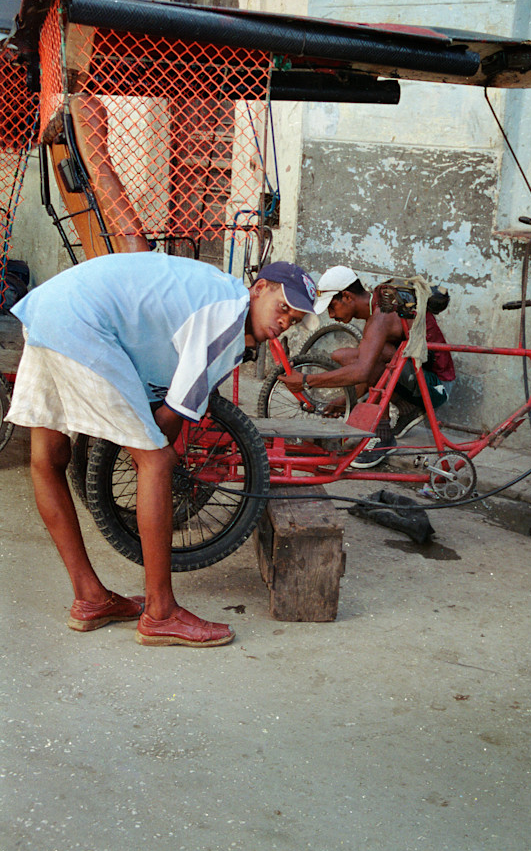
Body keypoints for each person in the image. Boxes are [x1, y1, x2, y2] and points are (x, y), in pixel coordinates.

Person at [6, 255, 317, 646]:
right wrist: (152, 450)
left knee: (47, 460)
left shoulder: (213, 288)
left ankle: (89, 598)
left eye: (294, 320)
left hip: (53, 307)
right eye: (283, 307)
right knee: (156, 461)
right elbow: (171, 418)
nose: (284, 322)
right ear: (259, 289)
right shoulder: (228, 313)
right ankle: (160, 613)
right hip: (84, 324)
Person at [278, 265, 455, 468]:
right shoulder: (379, 304)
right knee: (344, 355)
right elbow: (366, 370)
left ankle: (383, 436)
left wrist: (305, 381)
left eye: (332, 307)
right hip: (419, 377)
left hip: (436, 387)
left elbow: (364, 371)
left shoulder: (382, 315)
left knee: (375, 358)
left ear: (347, 297)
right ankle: (408, 409)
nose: (331, 315)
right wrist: (344, 400)